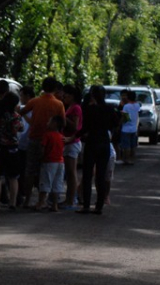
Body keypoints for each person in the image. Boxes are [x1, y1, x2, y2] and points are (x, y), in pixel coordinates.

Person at [18, 77, 66, 208]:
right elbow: (63, 123)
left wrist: (32, 121)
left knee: (30, 171)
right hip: (52, 141)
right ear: (55, 89)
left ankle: (27, 199)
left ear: (43, 87)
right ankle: (48, 201)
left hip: (34, 139)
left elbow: (21, 112)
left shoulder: (35, 101)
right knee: (49, 170)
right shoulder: (59, 104)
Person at [77, 85, 120, 215]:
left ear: (92, 95)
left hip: (92, 143)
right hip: (105, 143)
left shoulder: (89, 110)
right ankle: (99, 206)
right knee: (100, 176)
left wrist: (74, 136)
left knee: (88, 175)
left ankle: (86, 205)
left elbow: (84, 128)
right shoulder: (110, 109)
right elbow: (116, 124)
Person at [35, 115, 65, 212]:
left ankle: (40, 203)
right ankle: (54, 205)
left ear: (54, 124)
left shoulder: (47, 135)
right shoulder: (61, 136)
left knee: (45, 182)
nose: (47, 123)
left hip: (49, 161)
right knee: (57, 184)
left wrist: (40, 157)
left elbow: (43, 148)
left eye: (49, 121)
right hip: (60, 162)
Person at [60, 84, 83, 209]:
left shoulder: (75, 108)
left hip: (72, 142)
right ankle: (69, 199)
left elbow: (75, 126)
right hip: (68, 142)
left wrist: (63, 116)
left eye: (66, 95)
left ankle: (71, 200)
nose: (64, 97)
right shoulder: (71, 107)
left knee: (71, 172)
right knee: (69, 173)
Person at [16, 85, 35, 206]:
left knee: (30, 171)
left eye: (22, 96)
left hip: (31, 143)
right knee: (21, 171)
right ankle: (22, 194)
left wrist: (22, 114)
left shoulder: (35, 107)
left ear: (28, 96)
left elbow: (32, 123)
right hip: (21, 144)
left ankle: (27, 194)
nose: (21, 98)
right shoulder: (21, 108)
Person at [119, 90, 140, 165]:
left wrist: (120, 122)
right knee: (133, 145)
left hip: (126, 128)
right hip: (134, 128)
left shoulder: (126, 106)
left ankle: (126, 159)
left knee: (126, 145)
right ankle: (132, 159)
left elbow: (125, 118)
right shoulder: (137, 105)